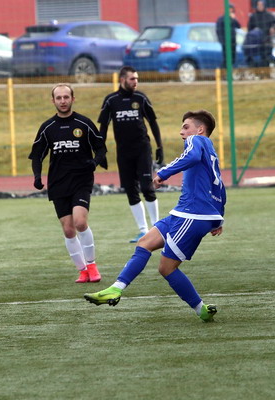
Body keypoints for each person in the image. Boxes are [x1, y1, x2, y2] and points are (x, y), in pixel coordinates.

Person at [84, 110, 226, 323]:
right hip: (185, 213)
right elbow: (220, 186)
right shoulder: (211, 150)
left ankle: (201, 309)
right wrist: (218, 217)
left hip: (191, 214)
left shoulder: (196, 141)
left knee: (166, 268)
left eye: (185, 127)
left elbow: (192, 156)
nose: (181, 132)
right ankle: (116, 288)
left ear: (200, 130)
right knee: (145, 242)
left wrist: (163, 173)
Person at [29, 83, 107, 284]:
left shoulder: (84, 123)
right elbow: (37, 155)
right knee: (68, 230)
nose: (63, 101)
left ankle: (92, 265)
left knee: (80, 222)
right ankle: (82, 271)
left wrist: (94, 163)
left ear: (73, 99)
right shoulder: (47, 127)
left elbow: (101, 148)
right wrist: (37, 176)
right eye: (59, 98)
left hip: (81, 180)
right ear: (53, 101)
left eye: (66, 97)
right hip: (58, 182)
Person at [98, 66, 163, 243]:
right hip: (123, 152)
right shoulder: (111, 100)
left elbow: (153, 122)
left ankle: (157, 228)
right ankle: (143, 231)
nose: (136, 82)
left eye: (137, 79)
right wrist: (100, 151)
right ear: (122, 80)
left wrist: (159, 147)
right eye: (132, 79)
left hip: (142, 149)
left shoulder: (141, 98)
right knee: (131, 190)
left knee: (147, 187)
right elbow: (103, 127)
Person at [248, 0, 275, 67]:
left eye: (261, 5)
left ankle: (267, 71)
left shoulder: (269, 16)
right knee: (258, 60)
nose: (259, 6)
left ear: (264, 5)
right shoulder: (253, 17)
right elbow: (249, 29)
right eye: (258, 5)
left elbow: (274, 24)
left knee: (267, 58)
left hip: (267, 42)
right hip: (256, 43)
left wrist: (273, 28)